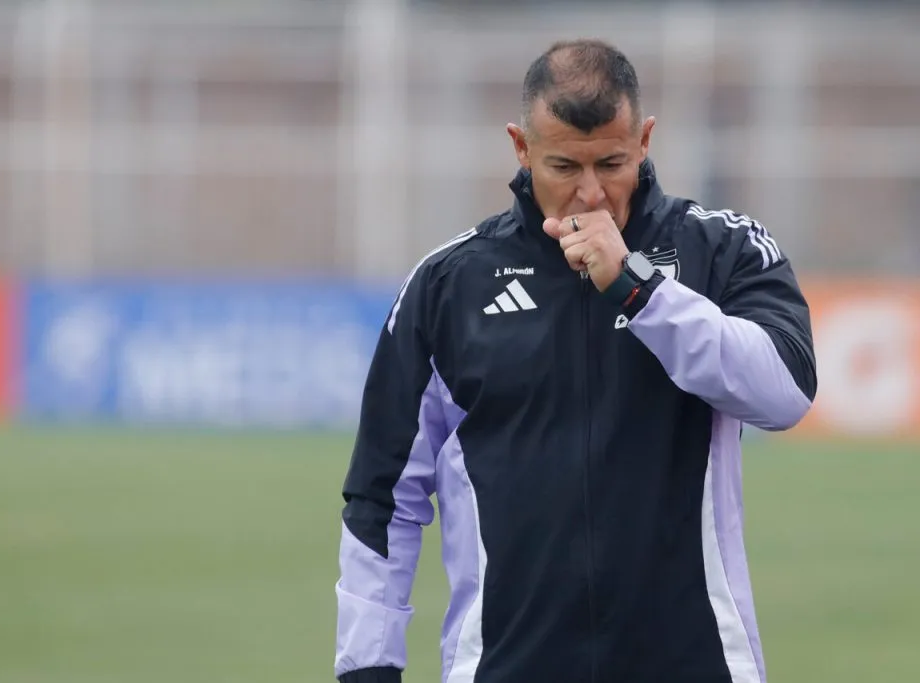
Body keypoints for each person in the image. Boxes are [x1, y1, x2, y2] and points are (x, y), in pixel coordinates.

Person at [334, 38, 816, 683]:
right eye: (564, 166)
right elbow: (383, 495)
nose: (590, 193)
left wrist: (640, 291)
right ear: (520, 148)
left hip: (695, 663)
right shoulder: (449, 284)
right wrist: (368, 664)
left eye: (612, 163)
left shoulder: (718, 248)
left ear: (645, 141)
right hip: (505, 667)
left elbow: (785, 393)